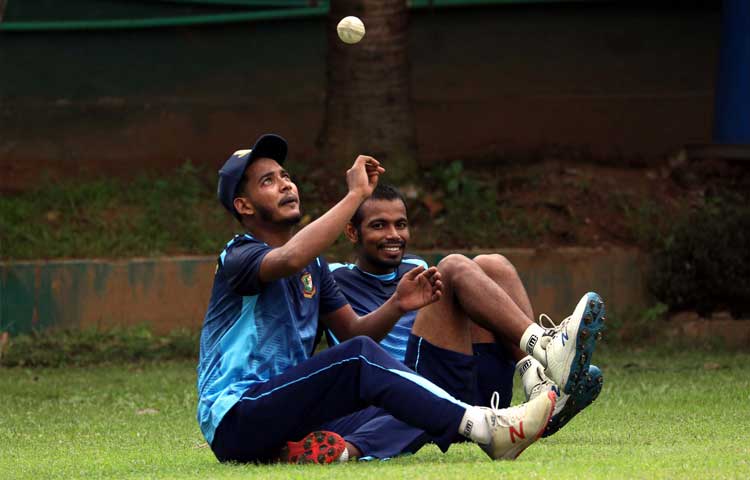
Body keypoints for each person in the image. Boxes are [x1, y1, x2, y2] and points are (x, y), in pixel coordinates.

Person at [196, 133, 557, 465]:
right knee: (361, 359)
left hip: (289, 417)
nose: (285, 184)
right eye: (268, 181)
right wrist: (354, 197)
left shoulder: (315, 268)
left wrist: (398, 304)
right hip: (237, 415)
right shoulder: (238, 256)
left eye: (285, 175)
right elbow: (288, 259)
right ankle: (487, 428)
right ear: (243, 206)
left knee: (405, 403)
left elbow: (354, 332)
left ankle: (340, 450)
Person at [325, 184, 605, 460]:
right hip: (407, 397)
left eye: (401, 225)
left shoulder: (417, 268)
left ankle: (536, 380)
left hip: (467, 390)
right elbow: (345, 342)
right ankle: (545, 347)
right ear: (352, 231)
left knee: (493, 264)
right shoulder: (334, 279)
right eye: (379, 226)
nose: (393, 235)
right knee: (453, 267)